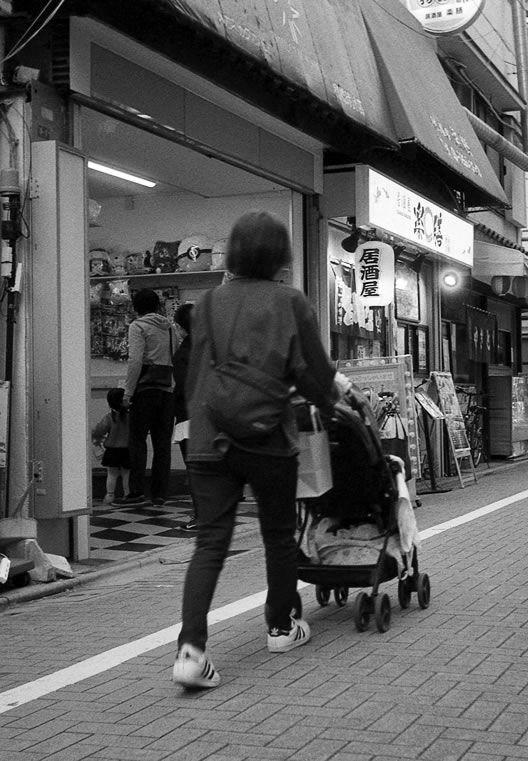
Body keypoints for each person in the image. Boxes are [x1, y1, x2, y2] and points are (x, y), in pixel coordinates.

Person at [172, 210, 346, 690]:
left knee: (209, 544)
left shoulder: (207, 302)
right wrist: (334, 408)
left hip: (210, 440)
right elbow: (315, 373)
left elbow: (193, 376)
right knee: (277, 535)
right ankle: (281, 626)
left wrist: (201, 422)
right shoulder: (290, 301)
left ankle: (191, 652)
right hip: (270, 438)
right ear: (280, 255)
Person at [121, 288, 178, 507]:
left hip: (145, 390)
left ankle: (136, 492)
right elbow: (174, 359)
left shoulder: (138, 326)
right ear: (157, 306)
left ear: (136, 307)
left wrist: (128, 392)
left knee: (137, 441)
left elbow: (135, 361)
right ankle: (160, 494)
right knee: (162, 444)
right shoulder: (170, 328)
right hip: (167, 390)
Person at [171, 302, 195, 530]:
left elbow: (184, 386)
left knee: (195, 468)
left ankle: (201, 515)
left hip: (190, 417)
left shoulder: (183, 353)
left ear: (180, 327)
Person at [90, 388, 130, 505]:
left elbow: (99, 431)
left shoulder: (109, 417)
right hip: (127, 450)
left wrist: (98, 441)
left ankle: (109, 495)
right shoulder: (131, 417)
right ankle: (127, 495)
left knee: (112, 474)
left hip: (112, 450)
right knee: (126, 474)